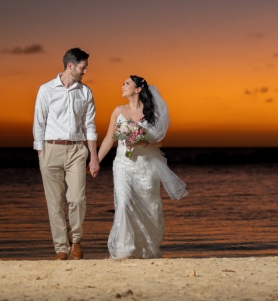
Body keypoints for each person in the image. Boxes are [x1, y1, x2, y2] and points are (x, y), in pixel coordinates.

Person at [97, 75, 187, 259]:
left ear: (138, 89)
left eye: (127, 83)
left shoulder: (151, 112)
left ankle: (145, 248)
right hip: (123, 164)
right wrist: (95, 161)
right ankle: (125, 249)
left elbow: (159, 142)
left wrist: (140, 143)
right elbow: (108, 139)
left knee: (149, 206)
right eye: (123, 83)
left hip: (146, 166)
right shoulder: (118, 111)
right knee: (123, 202)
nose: (122, 85)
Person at [33, 47, 100, 260]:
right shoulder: (46, 90)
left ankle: (76, 240)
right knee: (54, 202)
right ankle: (61, 248)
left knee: (77, 199)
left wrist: (94, 156)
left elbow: (89, 125)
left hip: (76, 150)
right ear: (70, 66)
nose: (85, 71)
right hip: (51, 149)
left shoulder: (85, 92)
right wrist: (41, 153)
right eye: (83, 67)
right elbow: (39, 122)